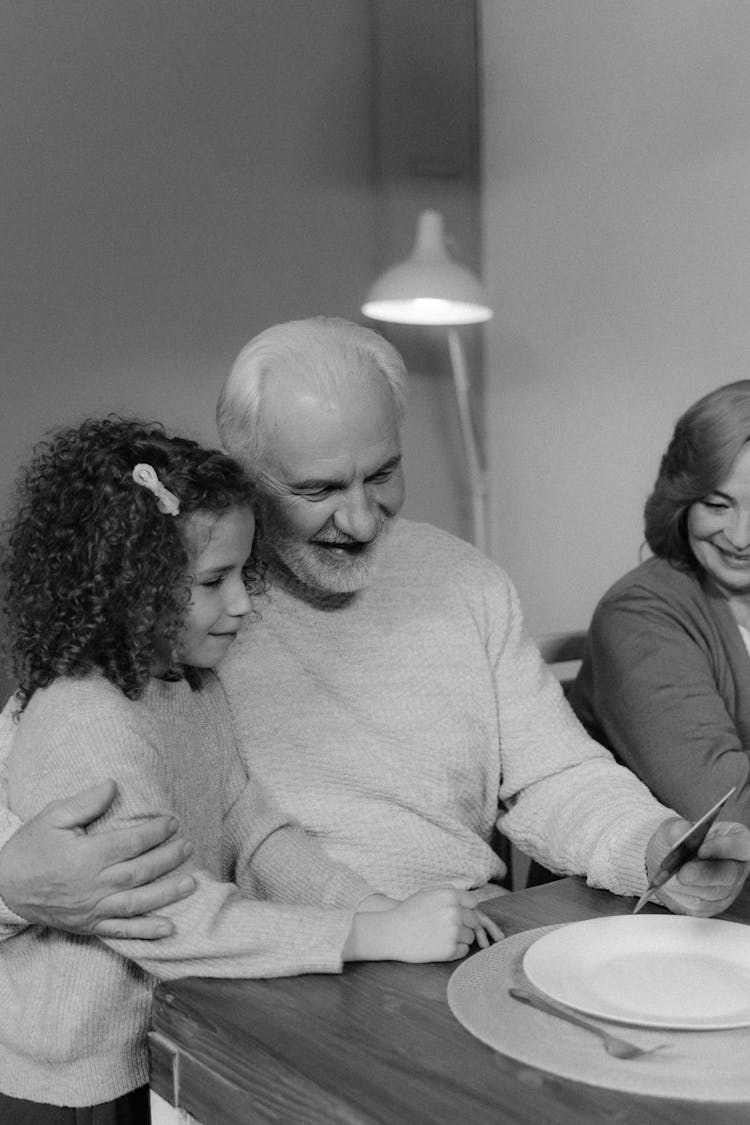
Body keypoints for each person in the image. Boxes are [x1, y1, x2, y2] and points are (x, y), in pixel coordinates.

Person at [1, 321, 749, 935]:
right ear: (244, 474)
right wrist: (13, 879)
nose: (361, 521)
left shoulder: (467, 582)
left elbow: (554, 776)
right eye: (317, 488)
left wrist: (653, 845)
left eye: (382, 473)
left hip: (458, 936)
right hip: (268, 964)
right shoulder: (180, 607)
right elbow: (37, 763)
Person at [0, 417, 497, 1122]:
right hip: (73, 1088)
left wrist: (372, 905)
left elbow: (254, 829)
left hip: (161, 1043)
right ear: (128, 587)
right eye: (212, 580)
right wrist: (367, 937)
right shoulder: (88, 720)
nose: (241, 603)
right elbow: (170, 921)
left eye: (243, 572)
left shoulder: (189, 687)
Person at [570, 379, 750, 825]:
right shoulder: (637, 614)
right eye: (716, 504)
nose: (740, 537)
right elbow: (723, 806)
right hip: (637, 891)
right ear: (683, 502)